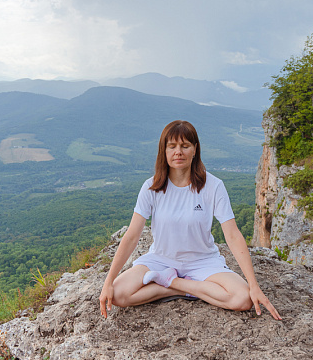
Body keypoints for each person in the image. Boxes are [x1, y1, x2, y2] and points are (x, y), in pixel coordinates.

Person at [99, 120, 281, 320]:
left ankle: (173, 283)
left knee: (243, 299)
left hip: (203, 262)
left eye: (185, 146)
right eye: (172, 146)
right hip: (160, 259)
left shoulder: (213, 186)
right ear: (164, 151)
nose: (179, 152)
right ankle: (182, 289)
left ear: (195, 150)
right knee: (117, 295)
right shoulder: (151, 187)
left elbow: (232, 234)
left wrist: (253, 285)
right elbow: (132, 235)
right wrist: (109, 281)